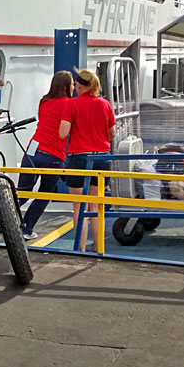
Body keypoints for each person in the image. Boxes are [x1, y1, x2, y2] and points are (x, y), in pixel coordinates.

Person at [59, 69, 116, 252]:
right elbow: (112, 133)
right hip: (102, 158)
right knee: (96, 205)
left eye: (76, 85)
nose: (74, 87)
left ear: (80, 86)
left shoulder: (72, 104)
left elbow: (63, 133)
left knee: (79, 207)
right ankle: (99, 247)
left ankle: (80, 248)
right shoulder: (105, 104)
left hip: (79, 158)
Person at [17, 71, 73, 240]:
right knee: (45, 193)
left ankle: (0, 219)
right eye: (71, 84)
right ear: (66, 86)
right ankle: (27, 229)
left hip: (32, 152)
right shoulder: (69, 105)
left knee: (23, 193)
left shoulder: (44, 101)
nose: (73, 87)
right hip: (54, 156)